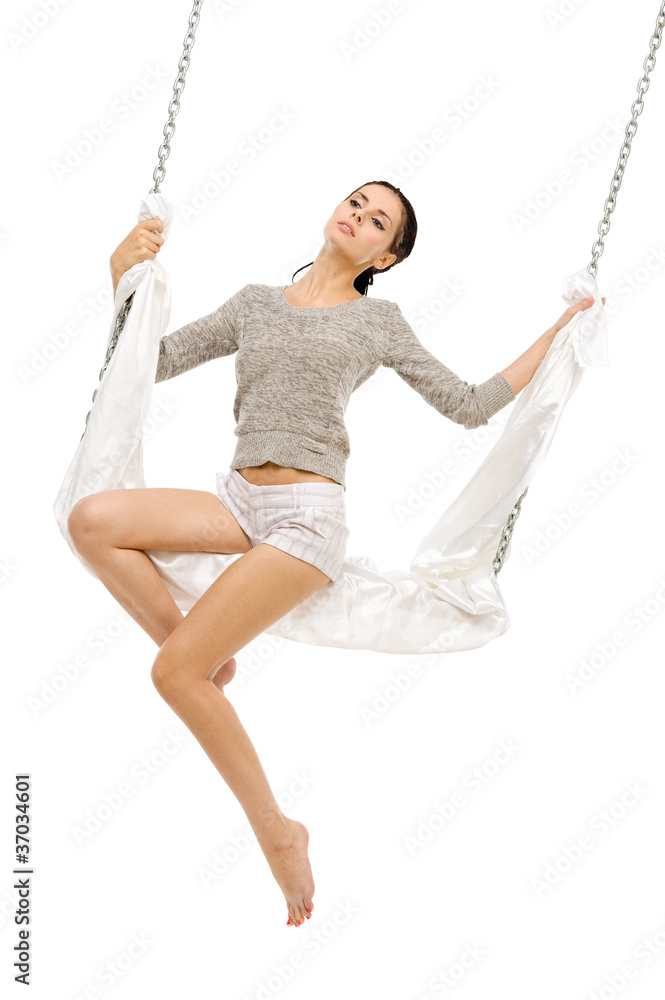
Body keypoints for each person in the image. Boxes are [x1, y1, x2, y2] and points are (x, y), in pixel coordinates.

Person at [67, 181, 602, 929]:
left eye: (378, 221)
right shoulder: (256, 303)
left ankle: (277, 833)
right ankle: (204, 658)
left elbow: (469, 404)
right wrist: (122, 277)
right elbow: (146, 364)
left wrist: (559, 333)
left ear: (385, 256)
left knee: (171, 676)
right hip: (238, 500)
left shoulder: (377, 321)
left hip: (306, 520)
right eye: (356, 202)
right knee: (90, 520)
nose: (358, 216)